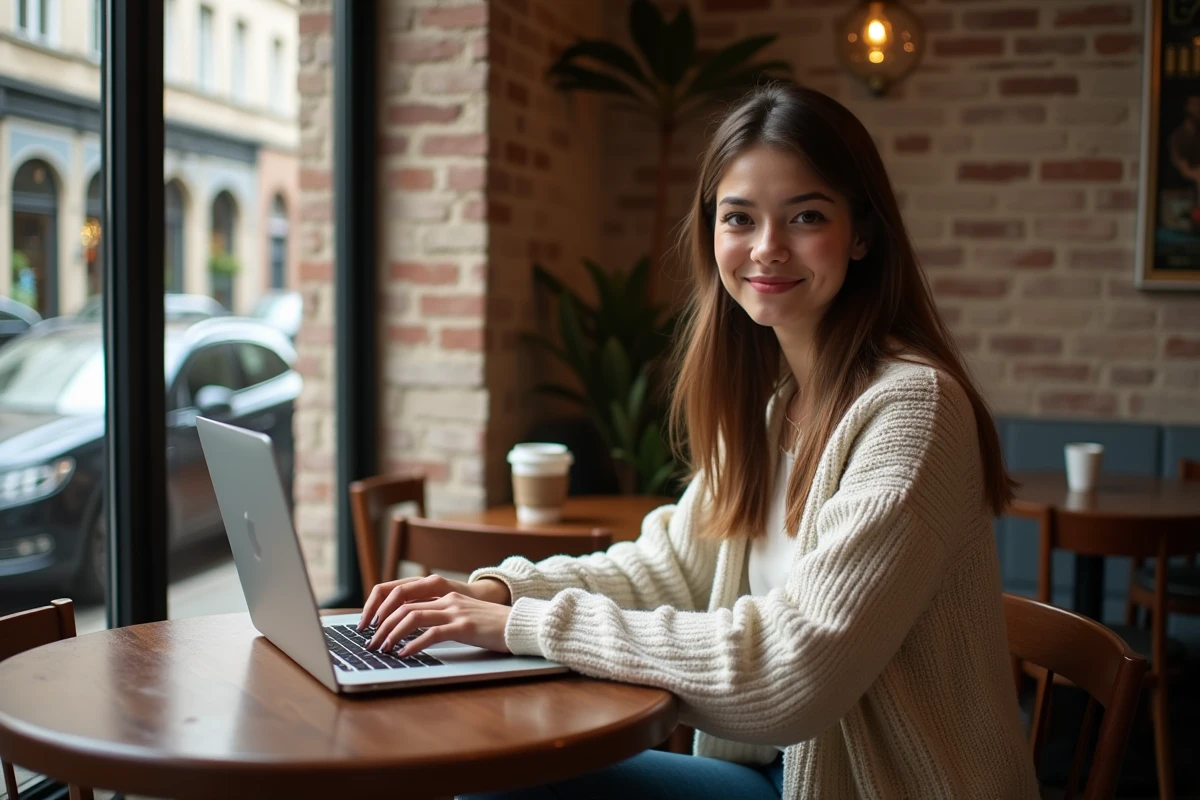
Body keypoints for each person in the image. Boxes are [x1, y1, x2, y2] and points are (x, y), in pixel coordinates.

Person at [358, 82, 1040, 799]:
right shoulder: (776, 405)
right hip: (772, 776)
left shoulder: (911, 410)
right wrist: (496, 589)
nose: (767, 249)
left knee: (497, 782)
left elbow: (791, 672)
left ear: (862, 234)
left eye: (806, 216)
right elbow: (669, 570)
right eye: (739, 218)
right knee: (485, 761)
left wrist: (518, 624)